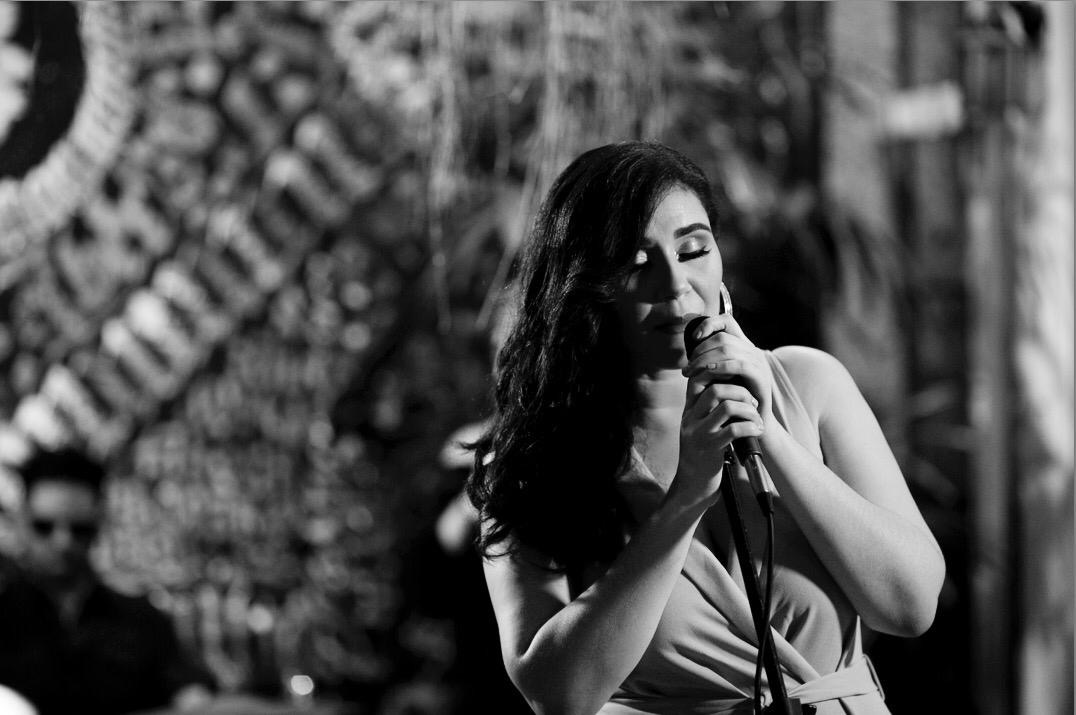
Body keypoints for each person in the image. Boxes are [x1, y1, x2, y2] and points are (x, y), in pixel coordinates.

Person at [466, 141, 945, 714]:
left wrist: (770, 435)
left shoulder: (809, 383)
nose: (675, 283)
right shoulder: (535, 460)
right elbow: (555, 694)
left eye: (693, 249)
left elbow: (911, 606)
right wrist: (686, 496)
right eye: (635, 262)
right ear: (581, 286)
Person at [0, 447, 215, 715]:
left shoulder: (142, 621)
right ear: (22, 520)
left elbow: (189, 692)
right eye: (44, 527)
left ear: (99, 522)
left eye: (79, 529)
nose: (63, 542)